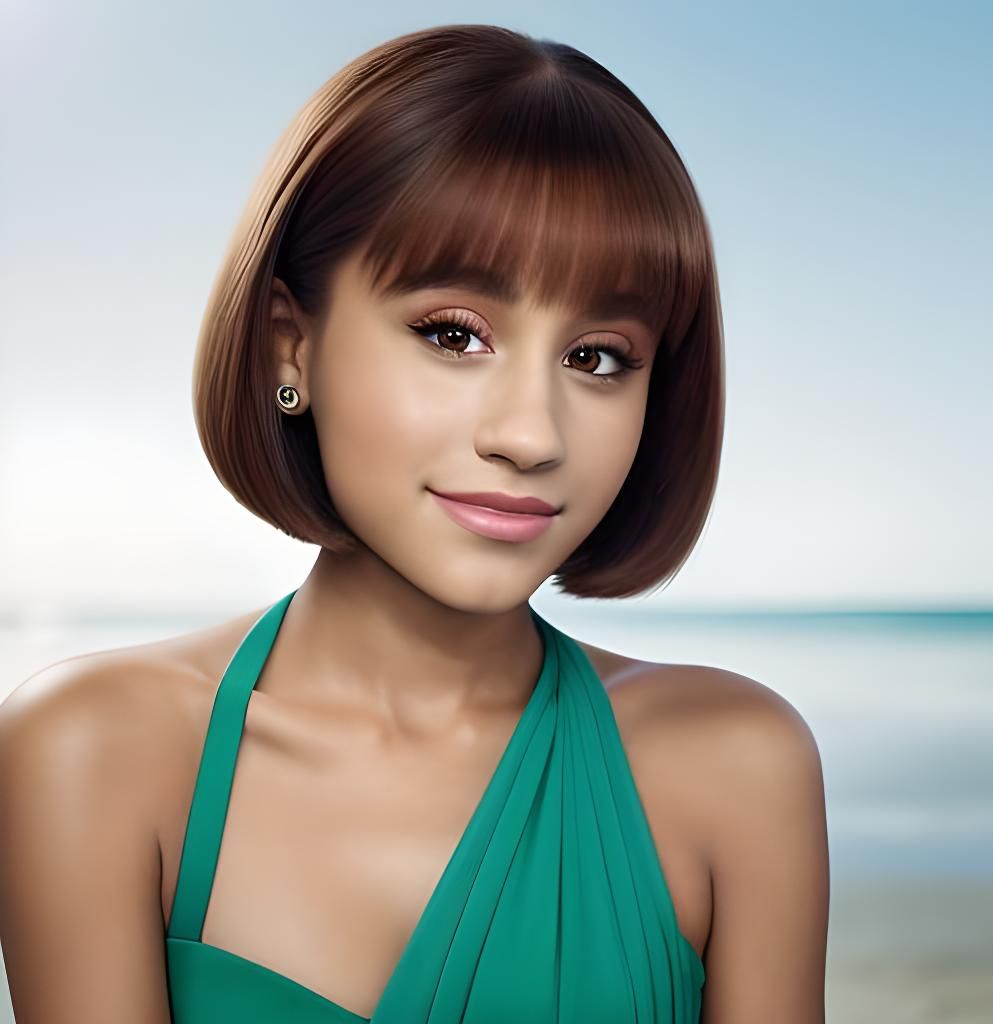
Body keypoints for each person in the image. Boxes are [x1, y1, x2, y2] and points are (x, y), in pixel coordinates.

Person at [0, 22, 829, 1023]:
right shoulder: (93, 752)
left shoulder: (736, 767)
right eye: (454, 335)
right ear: (288, 345)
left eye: (597, 357)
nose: (530, 435)